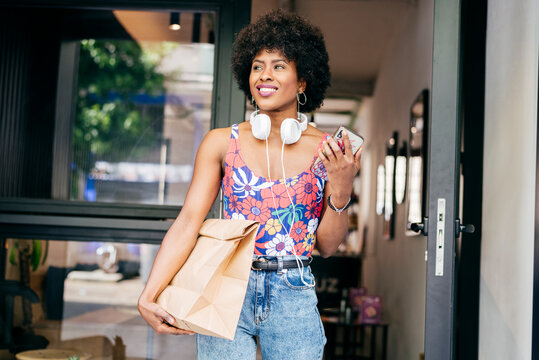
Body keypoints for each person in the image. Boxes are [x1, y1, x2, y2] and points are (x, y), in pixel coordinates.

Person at [138, 9, 362, 360]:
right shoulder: (220, 143)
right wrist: (149, 294)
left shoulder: (328, 152)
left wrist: (342, 188)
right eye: (258, 66)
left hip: (293, 291)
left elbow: (329, 246)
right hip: (225, 282)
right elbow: (187, 222)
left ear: (303, 81)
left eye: (278, 66)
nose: (264, 75)